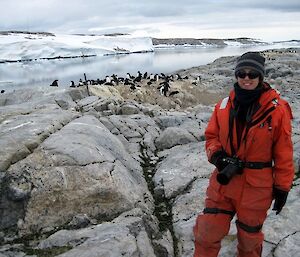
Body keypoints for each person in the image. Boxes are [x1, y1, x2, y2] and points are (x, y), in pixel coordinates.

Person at [193, 52, 294, 257]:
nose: (246, 78)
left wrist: (283, 187)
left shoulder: (277, 110)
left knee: (249, 242)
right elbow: (212, 136)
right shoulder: (223, 106)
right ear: (236, 75)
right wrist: (217, 156)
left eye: (252, 74)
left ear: (261, 77)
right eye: (241, 73)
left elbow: (284, 152)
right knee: (206, 232)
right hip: (224, 180)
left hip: (256, 187)